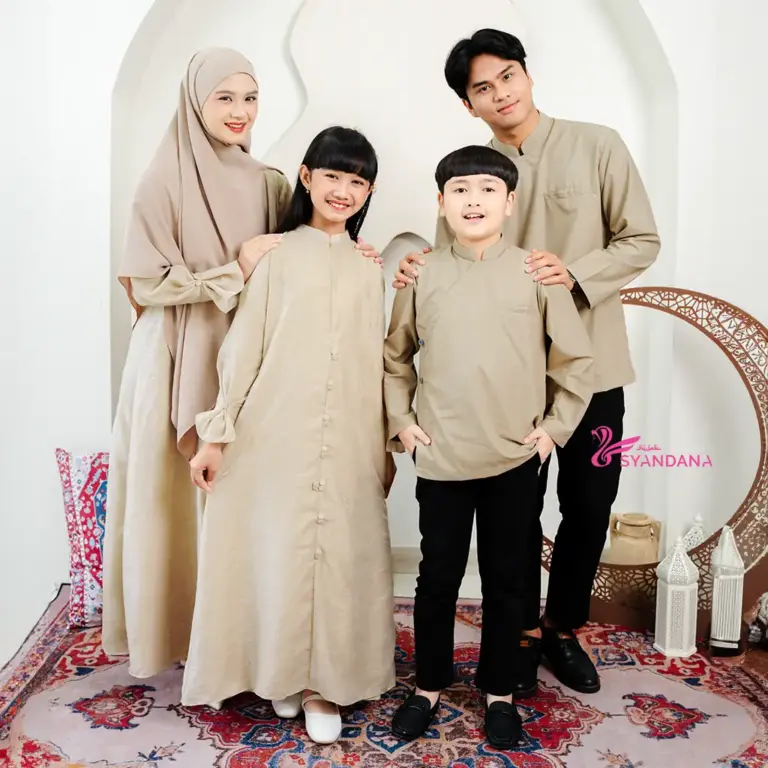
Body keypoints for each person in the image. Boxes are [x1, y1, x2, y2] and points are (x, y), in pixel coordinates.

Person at [393, 29, 660, 697]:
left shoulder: (597, 145)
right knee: (515, 515)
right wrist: (414, 271)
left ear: (527, 75)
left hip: (593, 366)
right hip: (502, 380)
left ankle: (562, 627)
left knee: (590, 503)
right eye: (482, 88)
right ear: (468, 104)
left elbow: (641, 239)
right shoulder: (469, 178)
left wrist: (575, 273)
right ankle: (516, 634)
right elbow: (448, 266)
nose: (500, 93)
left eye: (507, 76)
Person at [102, 49, 380, 679]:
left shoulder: (270, 181)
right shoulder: (162, 180)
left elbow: (305, 244)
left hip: (253, 351)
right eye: (224, 97)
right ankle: (175, 640)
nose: (240, 111)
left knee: (244, 502)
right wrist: (232, 271)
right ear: (194, 100)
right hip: (176, 348)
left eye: (250, 98)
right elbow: (144, 285)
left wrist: (361, 257)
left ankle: (241, 645)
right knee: (173, 502)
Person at [184, 126, 397, 745]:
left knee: (339, 557)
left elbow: (377, 361)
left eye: (357, 181)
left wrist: (382, 445)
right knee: (279, 550)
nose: (343, 190)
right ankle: (282, 672)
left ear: (369, 192)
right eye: (332, 176)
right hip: (273, 429)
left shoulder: (369, 268)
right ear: (306, 177)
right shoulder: (273, 256)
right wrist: (216, 434)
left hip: (349, 433)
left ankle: (322, 684)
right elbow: (243, 348)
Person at [385, 145, 593, 749]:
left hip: (513, 456)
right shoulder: (422, 275)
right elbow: (395, 357)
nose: (473, 200)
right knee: (437, 576)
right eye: (459, 190)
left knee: (508, 578)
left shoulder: (535, 273)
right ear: (441, 203)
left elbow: (575, 360)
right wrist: (403, 422)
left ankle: (500, 693)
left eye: (486, 189)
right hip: (443, 454)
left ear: (509, 202)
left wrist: (552, 430)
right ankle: (428, 686)